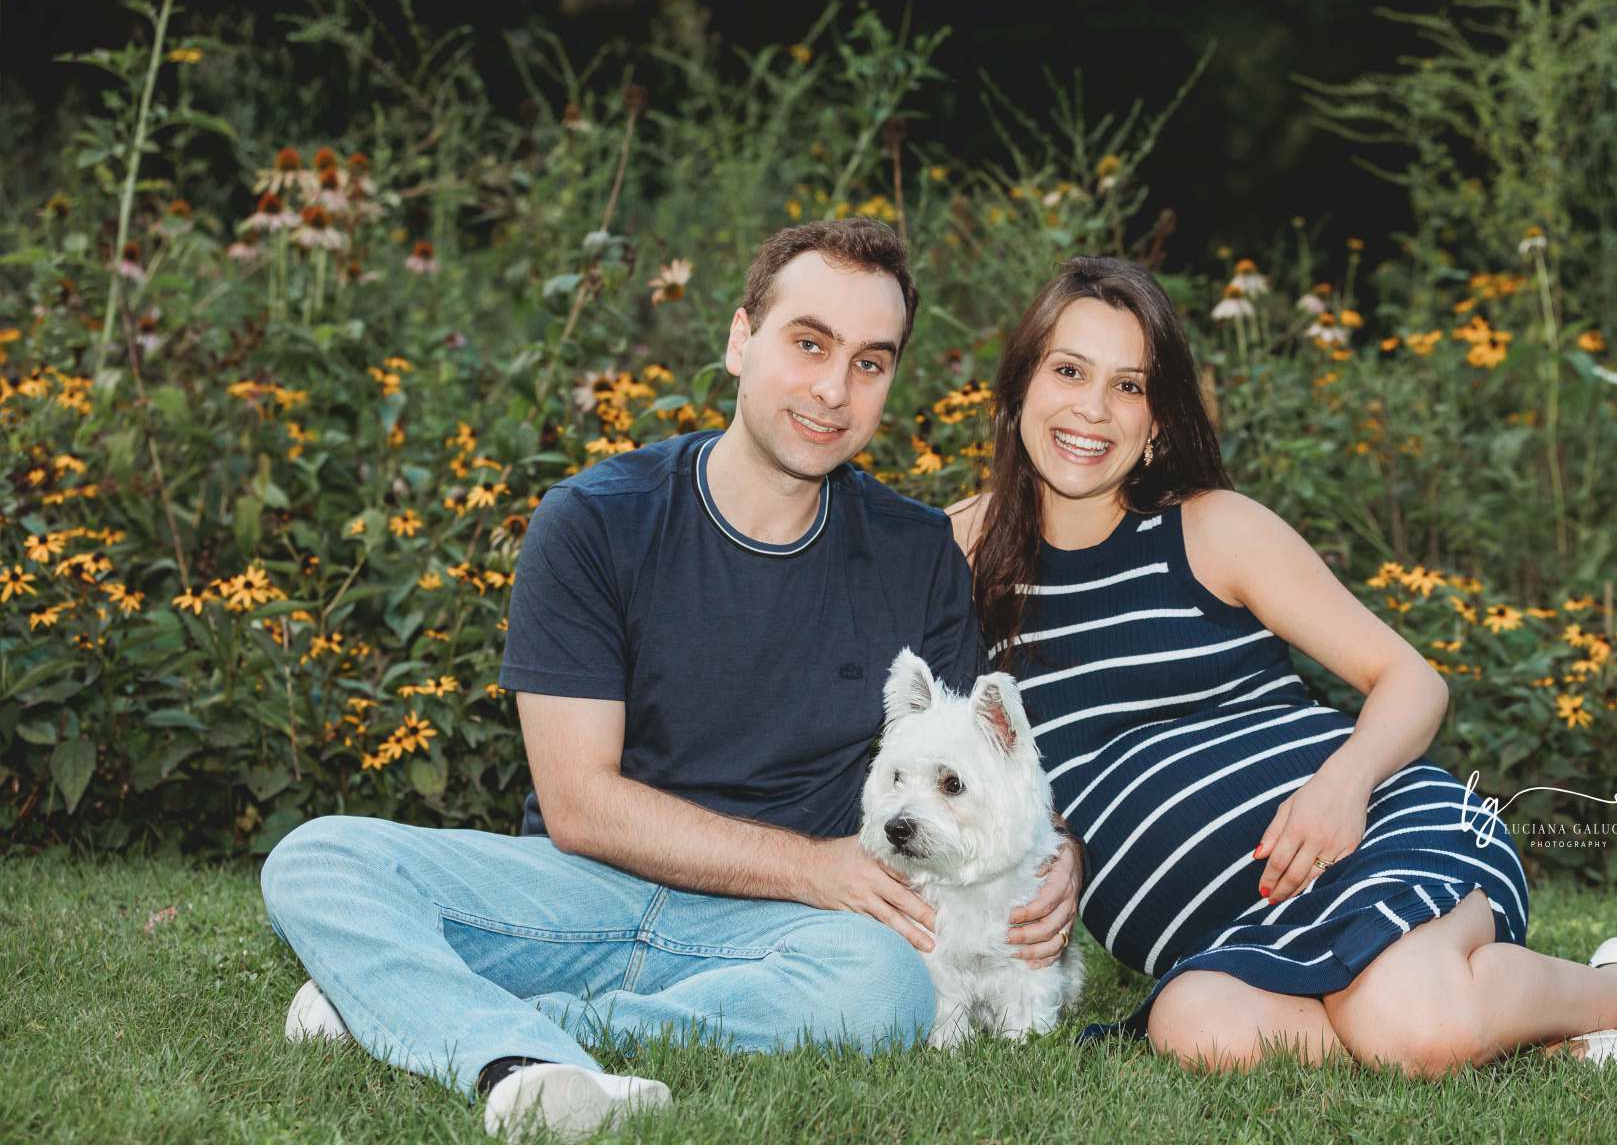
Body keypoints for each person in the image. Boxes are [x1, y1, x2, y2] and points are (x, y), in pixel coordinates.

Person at [259, 219, 1083, 1140]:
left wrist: (1061, 858)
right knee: (319, 860)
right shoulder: (594, 521)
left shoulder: (914, 551)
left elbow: (972, 770)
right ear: (740, 340)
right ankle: (503, 1042)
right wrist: (813, 865)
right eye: (809, 344)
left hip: (789, 928)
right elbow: (578, 804)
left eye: (870, 362)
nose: (833, 389)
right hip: (582, 888)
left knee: (884, 989)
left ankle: (472, 1023)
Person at [943, 255, 1617, 1075]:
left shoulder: (1210, 528)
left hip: (1374, 833)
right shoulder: (954, 556)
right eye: (1068, 371)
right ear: (1020, 383)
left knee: (1409, 1023)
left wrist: (1342, 787)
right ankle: (1535, 1043)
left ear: (1158, 418)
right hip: (1228, 934)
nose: (1093, 409)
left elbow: (1413, 680)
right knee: (1197, 1029)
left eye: (1128, 385)